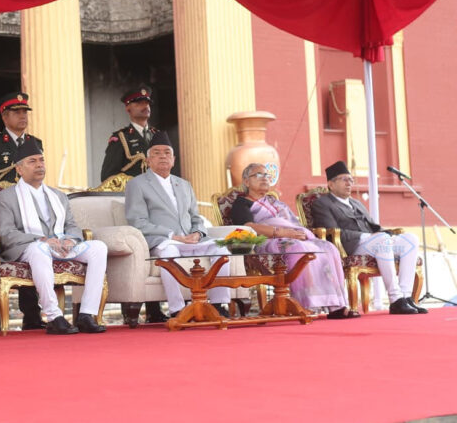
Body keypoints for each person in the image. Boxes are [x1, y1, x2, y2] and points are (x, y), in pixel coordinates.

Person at [0, 139, 108, 334]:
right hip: (28, 247)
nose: (39, 165)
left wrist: (70, 240)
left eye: (41, 160)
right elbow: (6, 234)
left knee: (99, 248)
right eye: (32, 161)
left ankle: (86, 314)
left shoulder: (58, 196)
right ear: (19, 169)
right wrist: (42, 240)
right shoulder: (6, 197)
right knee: (39, 250)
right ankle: (54, 316)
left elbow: (71, 225)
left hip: (61, 245)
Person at [125, 132, 232, 318]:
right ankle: (177, 309)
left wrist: (197, 233)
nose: (163, 156)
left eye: (167, 153)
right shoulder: (137, 184)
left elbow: (196, 217)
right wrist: (172, 236)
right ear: (148, 160)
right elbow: (137, 221)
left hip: (191, 240)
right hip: (164, 241)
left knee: (221, 249)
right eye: (157, 153)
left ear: (173, 160)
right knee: (169, 254)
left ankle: (218, 305)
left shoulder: (184, 185)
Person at [230, 163, 358, 318]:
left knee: (328, 247)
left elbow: (292, 224)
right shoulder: (241, 203)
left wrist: (297, 233)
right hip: (267, 240)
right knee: (298, 249)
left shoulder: (275, 203)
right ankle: (305, 304)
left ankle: (336, 305)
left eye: (266, 175)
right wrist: (281, 232)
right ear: (246, 181)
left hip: (291, 236)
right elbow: (248, 227)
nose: (264, 178)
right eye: (258, 175)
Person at [311, 161, 425, 314]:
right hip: (350, 245)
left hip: (373, 242)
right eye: (344, 179)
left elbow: (373, 226)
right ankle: (395, 299)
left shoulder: (356, 203)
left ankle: (405, 297)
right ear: (331, 184)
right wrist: (370, 236)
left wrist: (387, 233)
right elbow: (331, 232)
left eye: (351, 180)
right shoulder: (322, 204)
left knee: (410, 239)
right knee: (381, 240)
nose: (349, 183)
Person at [0, 91, 45, 330]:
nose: (23, 116)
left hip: (28, 211)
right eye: (17, 112)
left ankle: (32, 316)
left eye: (25, 112)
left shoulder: (35, 143)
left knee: (32, 246)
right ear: (5, 117)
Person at [100, 84, 166, 323]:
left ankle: (155, 309)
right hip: (131, 203)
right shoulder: (120, 138)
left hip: (156, 204)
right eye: (139, 103)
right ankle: (131, 308)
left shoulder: (157, 135)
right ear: (128, 108)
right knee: (137, 251)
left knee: (156, 249)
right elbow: (108, 176)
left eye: (147, 103)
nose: (144, 106)